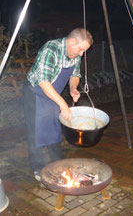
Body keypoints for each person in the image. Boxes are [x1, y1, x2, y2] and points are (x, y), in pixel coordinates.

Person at [22, 28, 93, 181]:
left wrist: (73, 88)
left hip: (52, 94)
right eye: (81, 49)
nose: (82, 54)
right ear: (72, 41)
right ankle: (38, 167)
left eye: (84, 51)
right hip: (35, 92)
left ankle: (57, 164)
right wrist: (62, 103)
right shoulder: (51, 49)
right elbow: (43, 82)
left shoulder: (75, 54)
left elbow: (75, 74)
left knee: (54, 128)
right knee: (36, 131)